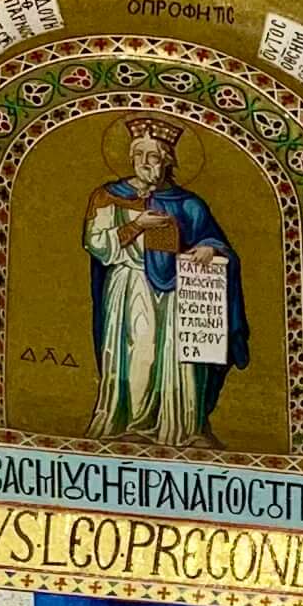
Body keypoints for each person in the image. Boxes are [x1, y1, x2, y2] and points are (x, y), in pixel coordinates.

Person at [86, 120, 244, 448]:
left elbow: (214, 239)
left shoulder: (188, 203)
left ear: (168, 162)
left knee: (183, 358)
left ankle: (186, 427)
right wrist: (136, 226)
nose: (145, 163)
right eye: (139, 155)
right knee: (139, 350)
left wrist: (209, 247)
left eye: (154, 156)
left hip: (179, 290)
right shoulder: (108, 197)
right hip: (131, 284)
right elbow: (97, 244)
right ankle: (133, 423)